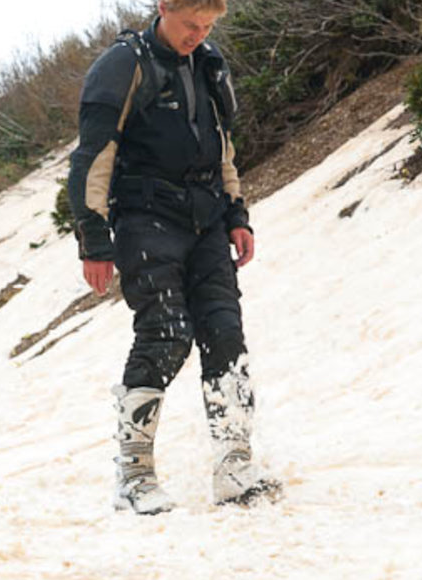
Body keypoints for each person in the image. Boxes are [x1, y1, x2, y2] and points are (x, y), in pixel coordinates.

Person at [67, 0, 281, 514]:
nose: (197, 35)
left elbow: (221, 148)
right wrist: (94, 241)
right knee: (165, 333)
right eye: (191, 24)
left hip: (207, 220)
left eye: (207, 26)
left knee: (225, 332)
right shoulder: (123, 65)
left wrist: (237, 214)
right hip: (145, 217)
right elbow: (91, 159)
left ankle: (235, 467)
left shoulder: (209, 64)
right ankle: (134, 475)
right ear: (164, 7)